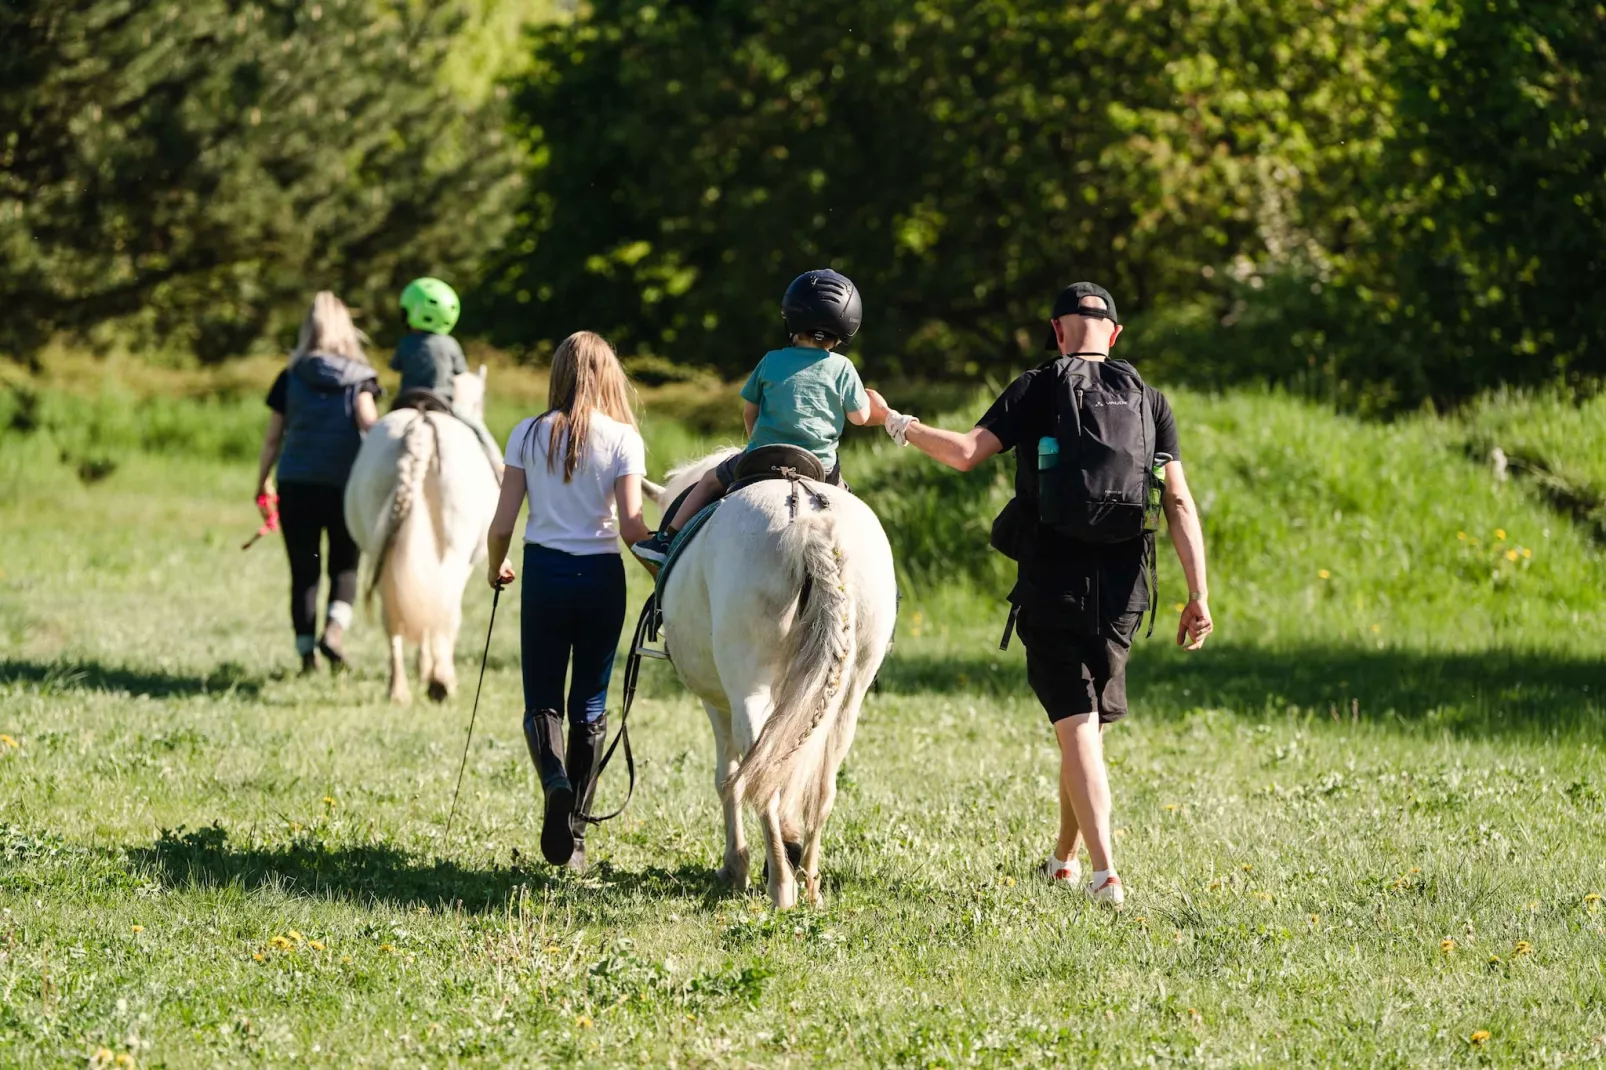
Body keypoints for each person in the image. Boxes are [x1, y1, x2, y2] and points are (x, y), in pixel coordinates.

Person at [870, 282, 1213, 909]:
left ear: (1057, 331)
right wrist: (1199, 594)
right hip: (1126, 583)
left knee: (1076, 725)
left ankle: (1106, 873)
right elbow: (1178, 498)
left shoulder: (1038, 386)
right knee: (1085, 727)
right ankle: (1064, 860)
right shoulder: (1151, 401)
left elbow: (968, 454)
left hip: (1053, 576)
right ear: (1114, 333)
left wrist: (894, 421)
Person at [484, 331, 652, 871]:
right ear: (607, 376)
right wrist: (662, 571)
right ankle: (575, 835)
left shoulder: (526, 434)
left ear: (557, 374)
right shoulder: (624, 439)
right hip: (603, 579)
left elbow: (502, 523)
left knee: (542, 701)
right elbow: (631, 527)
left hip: (547, 575)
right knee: (590, 706)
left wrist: (496, 565)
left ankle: (554, 782)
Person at [631, 268, 875, 564]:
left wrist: (756, 439)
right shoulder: (844, 368)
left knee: (708, 481)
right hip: (820, 467)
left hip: (763, 457)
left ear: (792, 319)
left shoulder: (771, 360)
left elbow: (750, 411)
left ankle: (664, 540)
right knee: (853, 511)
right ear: (845, 329)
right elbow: (860, 418)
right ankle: (871, 566)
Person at [254, 291, 382, 674]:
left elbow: (273, 437)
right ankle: (334, 632)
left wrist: (262, 481)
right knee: (344, 567)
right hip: (345, 487)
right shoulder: (360, 379)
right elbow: (370, 427)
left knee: (303, 569)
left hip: (296, 484)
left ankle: (306, 655)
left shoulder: (291, 376)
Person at [390, 276, 502, 473]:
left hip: (406, 401)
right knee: (477, 427)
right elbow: (461, 373)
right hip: (442, 402)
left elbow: (395, 366)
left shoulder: (405, 342)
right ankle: (498, 466)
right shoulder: (450, 343)